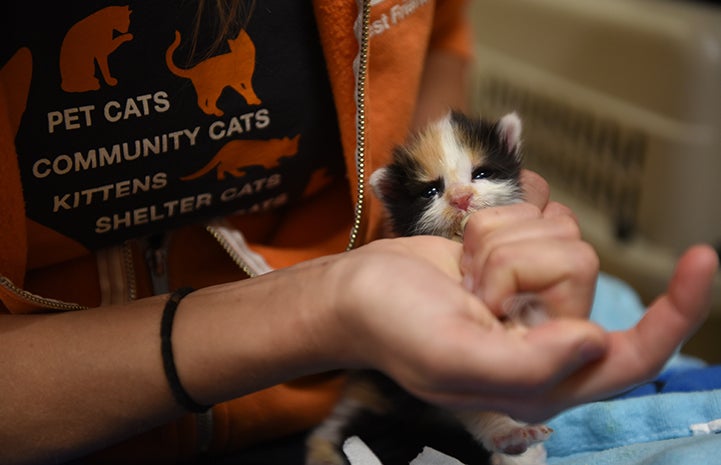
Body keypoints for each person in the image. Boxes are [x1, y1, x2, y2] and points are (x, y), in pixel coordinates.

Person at [0, 1, 717, 464]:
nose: (460, 194)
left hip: (370, 326)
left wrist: (417, 255)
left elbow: (437, 61)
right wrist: (324, 306)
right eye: (438, 192)